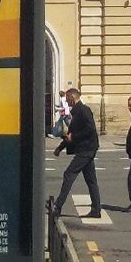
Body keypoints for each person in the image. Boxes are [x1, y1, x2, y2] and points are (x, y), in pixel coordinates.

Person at [49, 88, 102, 218]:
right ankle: (96, 210)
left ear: (72, 97)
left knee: (69, 174)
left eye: (67, 98)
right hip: (85, 149)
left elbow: (90, 129)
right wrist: (60, 148)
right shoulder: (76, 111)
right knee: (91, 180)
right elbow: (71, 133)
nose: (66, 101)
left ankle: (58, 206)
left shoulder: (84, 110)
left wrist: (74, 137)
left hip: (87, 149)